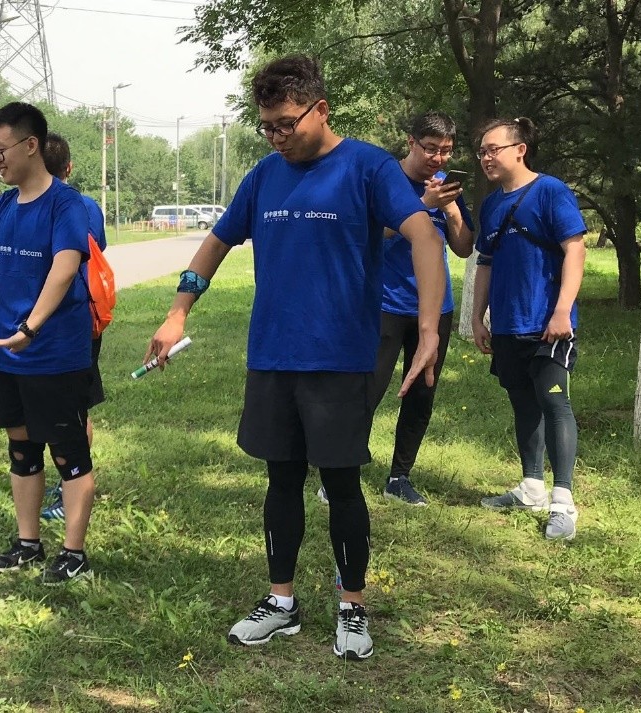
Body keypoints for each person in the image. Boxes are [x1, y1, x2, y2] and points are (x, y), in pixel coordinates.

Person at [145, 55, 446, 661]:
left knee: (340, 482)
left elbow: (423, 235)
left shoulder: (367, 167)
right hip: (273, 354)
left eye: (287, 123)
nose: (277, 136)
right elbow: (216, 243)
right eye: (268, 126)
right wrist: (179, 311)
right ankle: (281, 602)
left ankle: (352, 605)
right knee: (280, 478)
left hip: (339, 358)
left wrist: (428, 327)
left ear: (321, 109)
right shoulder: (264, 175)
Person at [0, 102, 97, 585]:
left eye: (1, 149)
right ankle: (28, 543)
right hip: (6, 355)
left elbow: (64, 268)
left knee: (68, 452)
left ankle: (74, 553)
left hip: (55, 355)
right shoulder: (2, 207)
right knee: (21, 449)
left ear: (30, 145)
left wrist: (30, 328)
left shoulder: (67, 205)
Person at [321, 111, 474, 507]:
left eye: (446, 151)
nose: (438, 158)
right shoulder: (384, 179)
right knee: (366, 390)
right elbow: (364, 236)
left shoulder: (447, 186)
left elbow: (463, 248)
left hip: (435, 308)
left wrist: (451, 210)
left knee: (422, 395)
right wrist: (422, 205)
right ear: (411, 142)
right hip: (385, 304)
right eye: (431, 149)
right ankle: (339, 472)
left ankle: (399, 477)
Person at [471, 117, 586, 540]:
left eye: (494, 149)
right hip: (507, 326)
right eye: (482, 151)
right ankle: (532, 487)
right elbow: (485, 262)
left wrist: (562, 311)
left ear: (520, 150)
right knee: (523, 404)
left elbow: (575, 249)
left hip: (547, 325)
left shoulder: (550, 191)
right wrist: (477, 316)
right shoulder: (491, 205)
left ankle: (563, 502)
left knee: (555, 403)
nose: (486, 157)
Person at [38, 132, 107, 521]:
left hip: (54, 323)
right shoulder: (87, 205)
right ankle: (70, 481)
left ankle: (71, 488)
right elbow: (98, 247)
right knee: (75, 407)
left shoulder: (35, 206)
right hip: (84, 320)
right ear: (69, 167)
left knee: (64, 410)